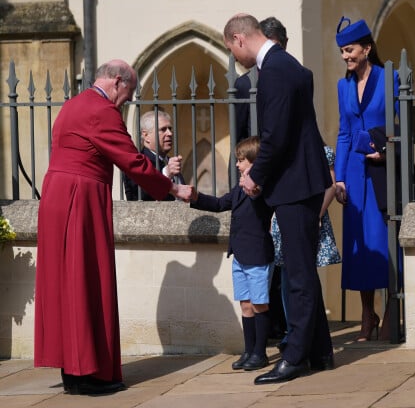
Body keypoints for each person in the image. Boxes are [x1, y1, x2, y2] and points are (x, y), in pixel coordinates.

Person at [34, 59, 192, 395]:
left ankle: (73, 373)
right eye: (129, 92)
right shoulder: (101, 111)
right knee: (86, 281)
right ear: (117, 81)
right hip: (81, 196)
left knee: (65, 285)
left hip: (56, 197)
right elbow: (132, 160)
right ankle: (87, 374)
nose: (127, 101)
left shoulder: (72, 105)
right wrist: (173, 187)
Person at [223, 13, 333, 385]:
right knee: (302, 271)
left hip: (294, 184)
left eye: (232, 50)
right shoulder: (288, 66)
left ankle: (296, 357)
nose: (236, 59)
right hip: (300, 180)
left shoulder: (275, 70)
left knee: (299, 276)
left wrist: (255, 174)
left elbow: (275, 135)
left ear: (240, 39)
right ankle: (319, 350)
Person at [333, 16, 400, 342]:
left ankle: (391, 312)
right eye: (343, 52)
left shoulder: (391, 77)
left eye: (350, 50)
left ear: (367, 48)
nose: (346, 56)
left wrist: (387, 151)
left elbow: (406, 123)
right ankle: (367, 313)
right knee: (358, 246)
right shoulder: (342, 86)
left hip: (383, 172)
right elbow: (344, 133)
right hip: (356, 178)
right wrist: (340, 179)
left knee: (383, 242)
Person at [190, 136, 274, 371]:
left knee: (259, 305)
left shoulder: (260, 188)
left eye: (241, 161)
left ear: (254, 162)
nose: (237, 165)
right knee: (246, 305)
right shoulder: (239, 190)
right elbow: (219, 204)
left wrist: (254, 184)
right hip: (239, 255)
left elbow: (258, 197)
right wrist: (195, 197)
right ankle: (249, 351)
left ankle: (260, 353)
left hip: (257, 256)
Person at [233, 17, 290, 340]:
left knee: (281, 260)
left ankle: (281, 324)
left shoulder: (287, 72)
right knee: (260, 265)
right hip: (256, 176)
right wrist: (247, 174)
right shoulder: (244, 85)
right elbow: (241, 136)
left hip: (282, 180)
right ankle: (266, 333)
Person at [272, 142, 341, 351]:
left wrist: (317, 215)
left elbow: (331, 185)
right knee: (286, 273)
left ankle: (303, 331)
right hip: (283, 216)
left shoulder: (322, 151)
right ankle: (291, 330)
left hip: (311, 214)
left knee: (304, 273)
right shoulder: (281, 150)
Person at [123, 110, 185, 201]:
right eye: (163, 129)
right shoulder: (136, 163)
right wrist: (166, 174)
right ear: (146, 136)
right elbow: (139, 197)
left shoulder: (169, 161)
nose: (170, 133)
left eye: (170, 129)